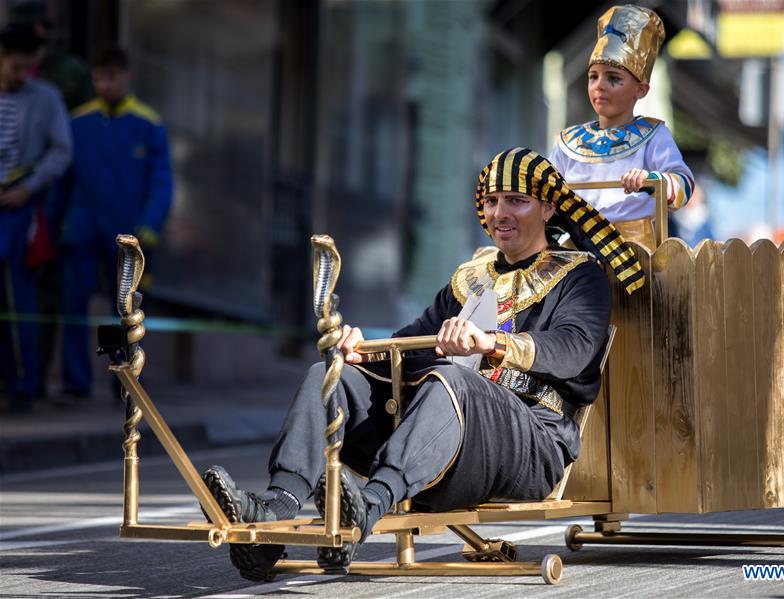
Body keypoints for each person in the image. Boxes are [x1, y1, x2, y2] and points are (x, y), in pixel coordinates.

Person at [201, 148, 644, 581]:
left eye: (516, 200)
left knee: (451, 378)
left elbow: (574, 348)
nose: (500, 213)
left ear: (547, 208)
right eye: (492, 201)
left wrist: (490, 342)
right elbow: (410, 346)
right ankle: (273, 515)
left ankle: (369, 506)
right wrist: (362, 351)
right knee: (331, 376)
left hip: (533, 445)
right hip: (449, 445)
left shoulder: (581, 274)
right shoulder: (471, 277)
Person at [52, 46, 172, 402]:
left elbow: (161, 182)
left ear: (126, 77)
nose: (106, 84)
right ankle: (75, 383)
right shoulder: (78, 122)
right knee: (74, 303)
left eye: (112, 78)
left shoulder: (148, 124)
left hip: (128, 235)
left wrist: (150, 225)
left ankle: (125, 381)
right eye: (100, 78)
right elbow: (62, 181)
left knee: (126, 309)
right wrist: (55, 225)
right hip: (82, 229)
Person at [548, 4, 694, 248]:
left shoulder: (653, 135)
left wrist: (651, 180)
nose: (599, 85)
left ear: (641, 90)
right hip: (576, 248)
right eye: (593, 77)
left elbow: (684, 188)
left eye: (613, 78)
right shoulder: (568, 141)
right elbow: (544, 193)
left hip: (635, 250)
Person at [0, 24, 72, 413]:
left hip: (19, 210)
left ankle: (23, 386)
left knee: (19, 300)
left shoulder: (45, 98)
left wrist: (29, 187)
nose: (20, 75)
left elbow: (62, 151)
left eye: (26, 67)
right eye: (14, 66)